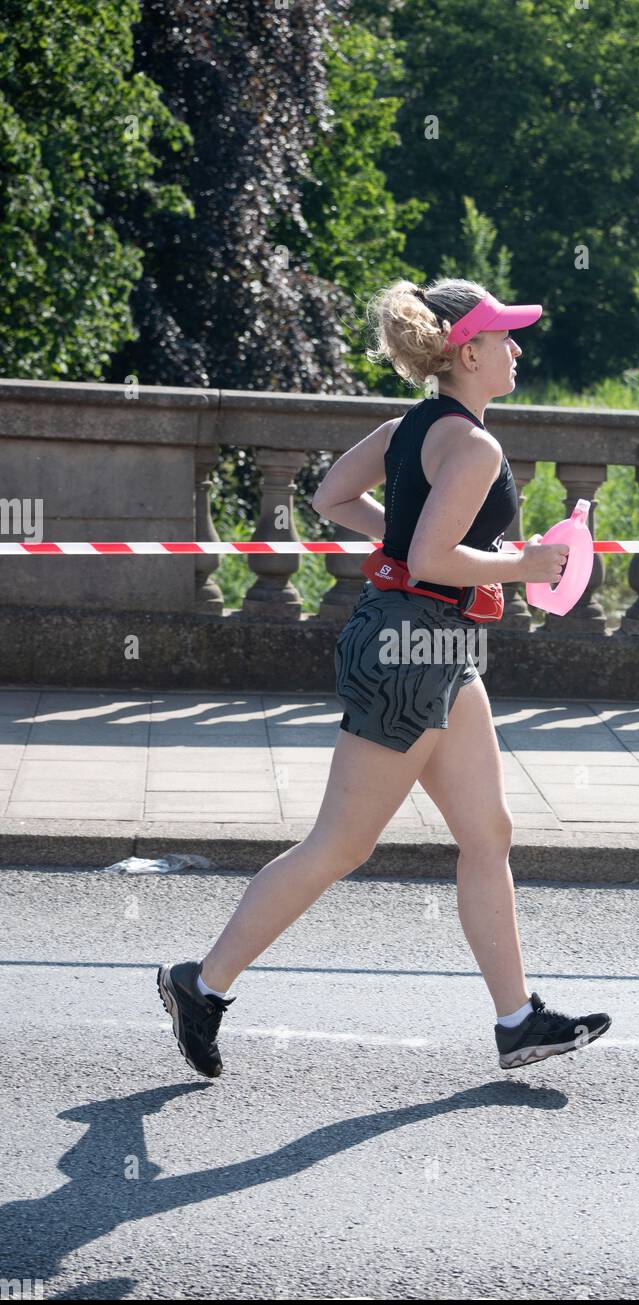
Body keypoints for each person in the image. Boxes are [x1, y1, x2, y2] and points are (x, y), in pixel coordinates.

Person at [157, 277, 612, 1078]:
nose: (517, 349)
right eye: (504, 337)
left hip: (432, 646)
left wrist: (404, 544)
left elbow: (335, 496)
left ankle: (517, 1021)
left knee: (488, 833)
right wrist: (522, 562)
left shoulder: (411, 426)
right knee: (339, 844)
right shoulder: (474, 445)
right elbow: (437, 557)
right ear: (466, 351)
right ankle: (202, 984)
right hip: (415, 648)